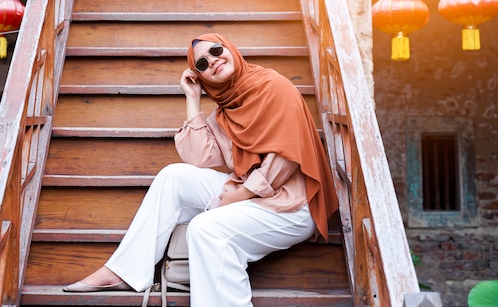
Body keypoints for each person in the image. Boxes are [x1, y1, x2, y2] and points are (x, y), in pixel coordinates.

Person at [63, 33, 338, 307]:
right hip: (255, 195)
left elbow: (286, 158)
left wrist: (239, 196)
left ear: (230, 48)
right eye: (203, 65)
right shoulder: (226, 109)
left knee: (205, 229)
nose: (214, 62)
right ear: (202, 77)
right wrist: (193, 98)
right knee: (174, 176)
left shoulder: (273, 86)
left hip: (292, 205)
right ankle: (125, 271)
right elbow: (200, 157)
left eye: (217, 50)